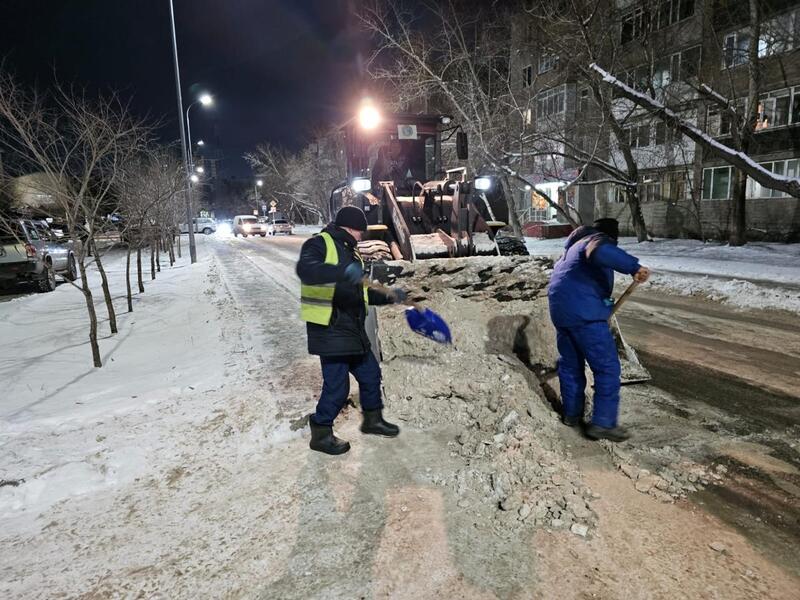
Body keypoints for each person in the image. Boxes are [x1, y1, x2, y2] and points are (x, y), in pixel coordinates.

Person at [296, 206, 408, 455]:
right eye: (360, 231)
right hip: (331, 329)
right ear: (349, 227)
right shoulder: (319, 244)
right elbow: (308, 270)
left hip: (353, 329)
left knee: (370, 375)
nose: (362, 236)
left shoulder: (350, 250)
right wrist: (342, 275)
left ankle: (373, 420)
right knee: (337, 388)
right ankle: (321, 431)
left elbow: (360, 291)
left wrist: (389, 296)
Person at [547, 218, 651, 442]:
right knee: (607, 368)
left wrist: (604, 304)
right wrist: (634, 267)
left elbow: (580, 281)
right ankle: (603, 423)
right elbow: (602, 252)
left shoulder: (570, 251)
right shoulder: (595, 241)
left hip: (562, 314)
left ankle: (571, 415)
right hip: (585, 315)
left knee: (571, 366)